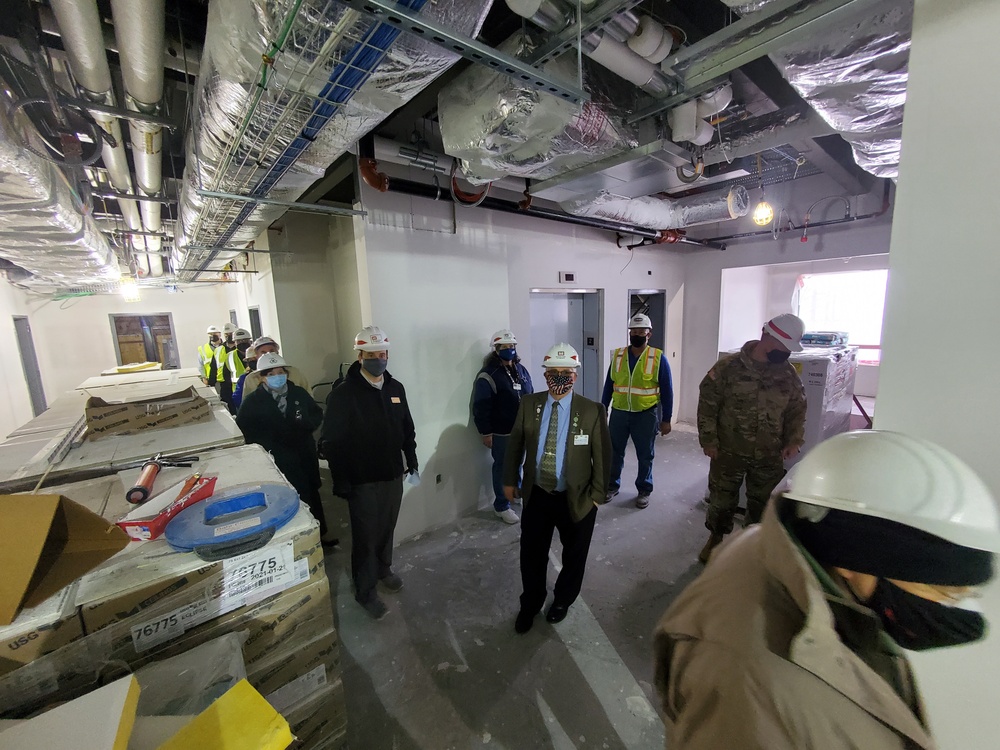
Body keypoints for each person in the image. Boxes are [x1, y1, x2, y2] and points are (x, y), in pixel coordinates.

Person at [653, 430, 999, 750]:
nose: (952, 607)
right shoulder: (749, 681)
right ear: (852, 557)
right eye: (942, 590)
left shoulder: (768, 545)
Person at [504, 343, 611, 633]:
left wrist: (597, 497)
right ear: (545, 374)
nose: (560, 378)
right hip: (538, 493)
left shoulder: (592, 410)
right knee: (531, 553)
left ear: (575, 376)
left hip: (576, 497)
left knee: (574, 554)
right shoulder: (529, 404)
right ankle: (531, 602)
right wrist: (509, 480)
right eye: (553, 372)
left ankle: (563, 600)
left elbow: (602, 456)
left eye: (566, 372)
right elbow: (515, 444)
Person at [320, 325, 417, 621]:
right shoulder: (343, 394)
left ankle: (384, 569)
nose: (379, 359)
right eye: (372, 354)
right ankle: (365, 590)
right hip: (361, 480)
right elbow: (333, 442)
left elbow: (406, 429)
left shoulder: (395, 388)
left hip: (391, 473)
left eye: (383, 353)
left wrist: (411, 459)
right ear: (360, 356)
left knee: (387, 526)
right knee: (365, 535)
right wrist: (342, 480)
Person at [696, 312, 807, 563]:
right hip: (728, 451)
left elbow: (797, 409)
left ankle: (753, 546)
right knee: (722, 499)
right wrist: (709, 440)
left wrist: (794, 440)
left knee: (764, 504)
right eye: (783, 346)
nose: (786, 353)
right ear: (767, 336)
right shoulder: (728, 368)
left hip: (770, 454)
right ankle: (715, 538)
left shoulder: (787, 373)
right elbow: (708, 405)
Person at [236, 352, 336, 547]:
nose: (277, 376)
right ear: (262, 377)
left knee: (310, 497)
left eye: (280, 372)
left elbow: (316, 414)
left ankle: (318, 536)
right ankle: (292, 541)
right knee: (283, 501)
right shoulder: (253, 402)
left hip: (303, 455)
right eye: (271, 373)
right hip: (276, 460)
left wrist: (306, 425)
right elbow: (244, 431)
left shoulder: (298, 394)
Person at [601, 313, 674, 509]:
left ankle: (644, 489)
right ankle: (612, 485)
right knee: (614, 452)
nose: (637, 334)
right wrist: (603, 408)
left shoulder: (658, 358)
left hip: (645, 414)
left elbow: (667, 390)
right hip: (619, 412)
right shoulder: (618, 356)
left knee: (645, 454)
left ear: (649, 334)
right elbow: (609, 385)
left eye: (641, 331)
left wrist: (666, 419)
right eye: (633, 331)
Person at [473, 329, 534, 525]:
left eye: (512, 346)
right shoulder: (488, 375)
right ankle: (501, 506)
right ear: (496, 350)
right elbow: (481, 405)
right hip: (501, 431)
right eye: (505, 347)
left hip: (522, 428)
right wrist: (486, 432)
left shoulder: (521, 370)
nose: (510, 350)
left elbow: (530, 394)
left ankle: (514, 494)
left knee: (518, 464)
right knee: (502, 467)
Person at [242, 336, 311, 395]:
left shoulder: (294, 372)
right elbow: (247, 406)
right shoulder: (251, 379)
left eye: (272, 351)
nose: (269, 354)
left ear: (277, 352)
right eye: (263, 352)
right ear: (256, 356)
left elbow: (308, 396)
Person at [207, 322, 238, 411]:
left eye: (230, 334)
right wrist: (210, 385)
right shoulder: (218, 350)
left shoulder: (240, 349)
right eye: (226, 334)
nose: (228, 336)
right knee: (228, 409)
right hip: (224, 385)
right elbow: (213, 368)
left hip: (238, 384)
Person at [231, 344, 256, 411]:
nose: (253, 362)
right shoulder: (244, 378)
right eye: (251, 360)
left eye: (255, 359)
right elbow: (237, 398)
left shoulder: (270, 374)